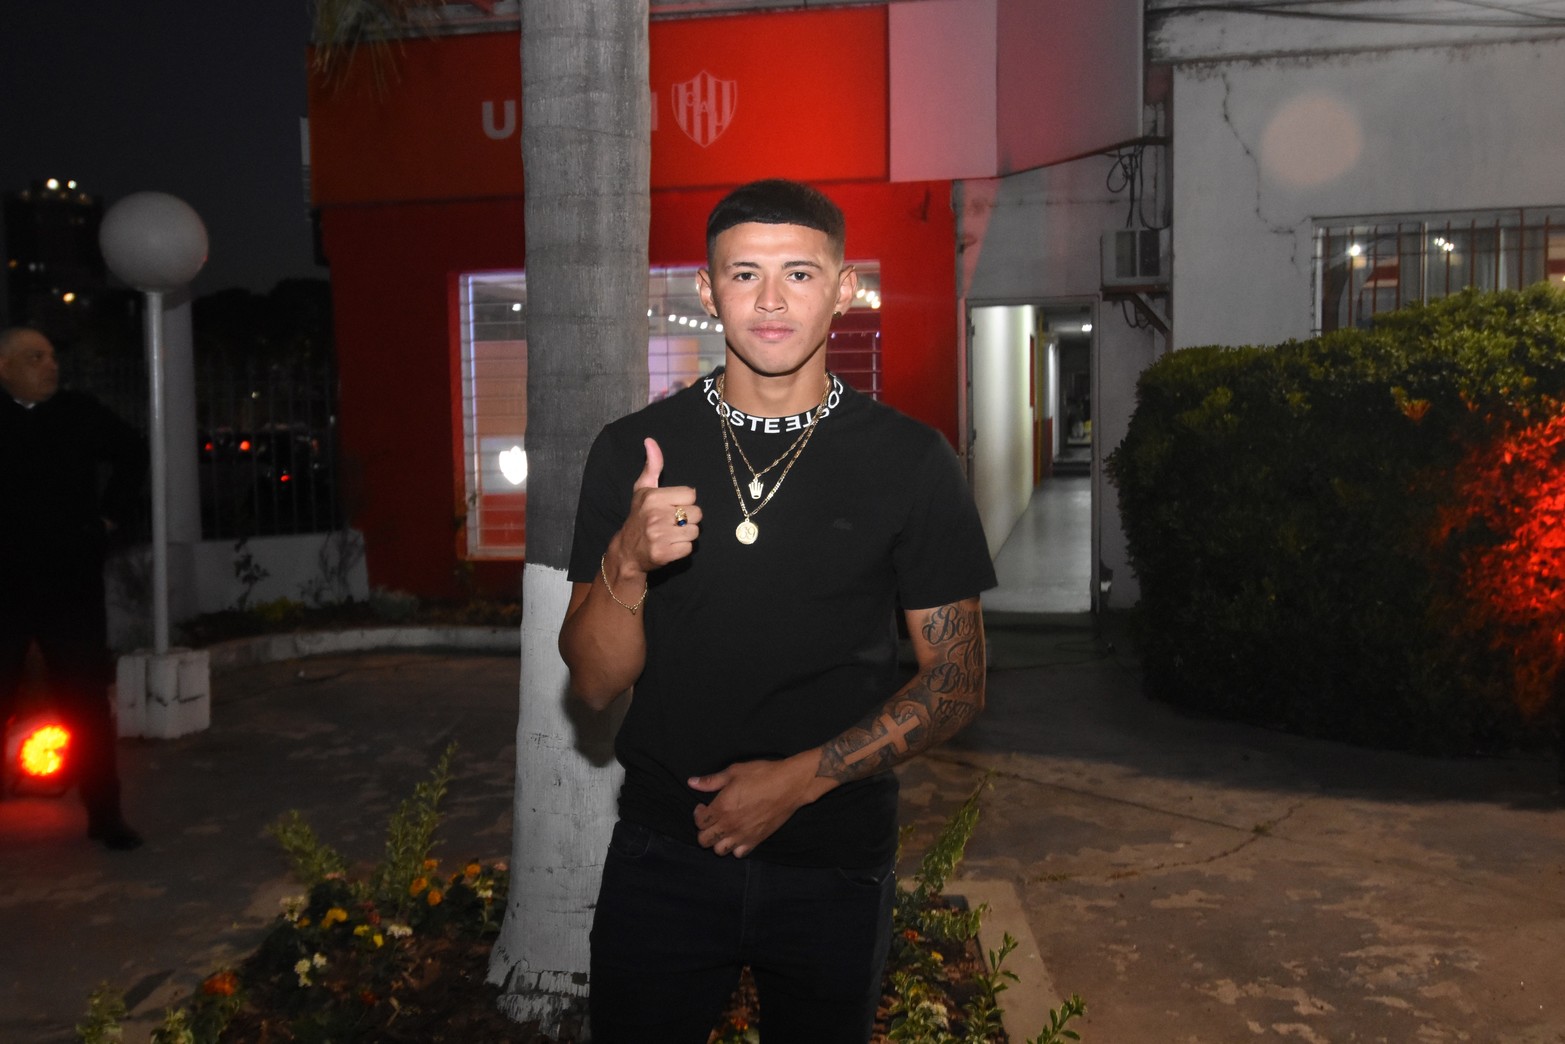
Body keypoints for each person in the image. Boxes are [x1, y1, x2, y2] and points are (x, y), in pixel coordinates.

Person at [559, 179, 997, 1041]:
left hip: (832, 862)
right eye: (743, 274)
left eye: (798, 274)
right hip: (664, 855)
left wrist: (796, 782)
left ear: (842, 289)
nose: (769, 301)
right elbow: (595, 684)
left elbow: (956, 681)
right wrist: (626, 560)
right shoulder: (632, 451)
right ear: (706, 289)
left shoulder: (911, 461)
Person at [0, 326, 146, 850]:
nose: (50, 365)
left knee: (85, 702)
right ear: (4, 368)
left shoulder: (78, 413)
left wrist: (109, 519)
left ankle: (106, 815)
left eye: (52, 356)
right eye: (35, 357)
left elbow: (133, 451)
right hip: (4, 585)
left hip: (69, 582)